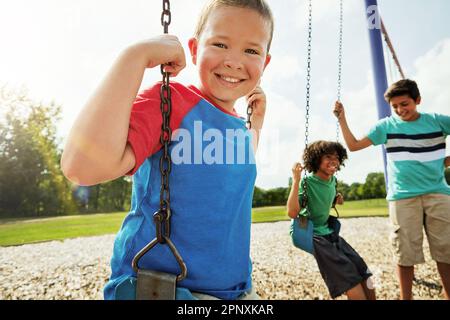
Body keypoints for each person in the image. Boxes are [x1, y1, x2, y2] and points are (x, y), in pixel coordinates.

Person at [61, 0, 273, 300]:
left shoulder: (240, 126)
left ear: (264, 63)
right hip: (166, 288)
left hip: (236, 290)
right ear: (195, 49)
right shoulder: (172, 102)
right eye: (220, 44)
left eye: (251, 50)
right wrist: (134, 57)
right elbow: (81, 166)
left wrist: (256, 126)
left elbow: (230, 175)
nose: (234, 61)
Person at [334, 79, 450, 300]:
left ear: (418, 100)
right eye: (395, 106)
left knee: (446, 252)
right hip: (402, 197)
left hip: (438, 193)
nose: (399, 110)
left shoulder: (437, 121)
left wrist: (446, 160)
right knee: (405, 255)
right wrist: (342, 119)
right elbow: (354, 145)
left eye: (404, 104)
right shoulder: (386, 126)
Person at [287, 140, 376, 300]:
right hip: (311, 234)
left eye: (336, 157)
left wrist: (337, 199)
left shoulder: (333, 181)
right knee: (349, 277)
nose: (334, 160)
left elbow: (326, 197)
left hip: (328, 232)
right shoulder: (307, 182)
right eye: (328, 157)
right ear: (316, 159)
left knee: (365, 273)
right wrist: (296, 180)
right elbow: (292, 213)